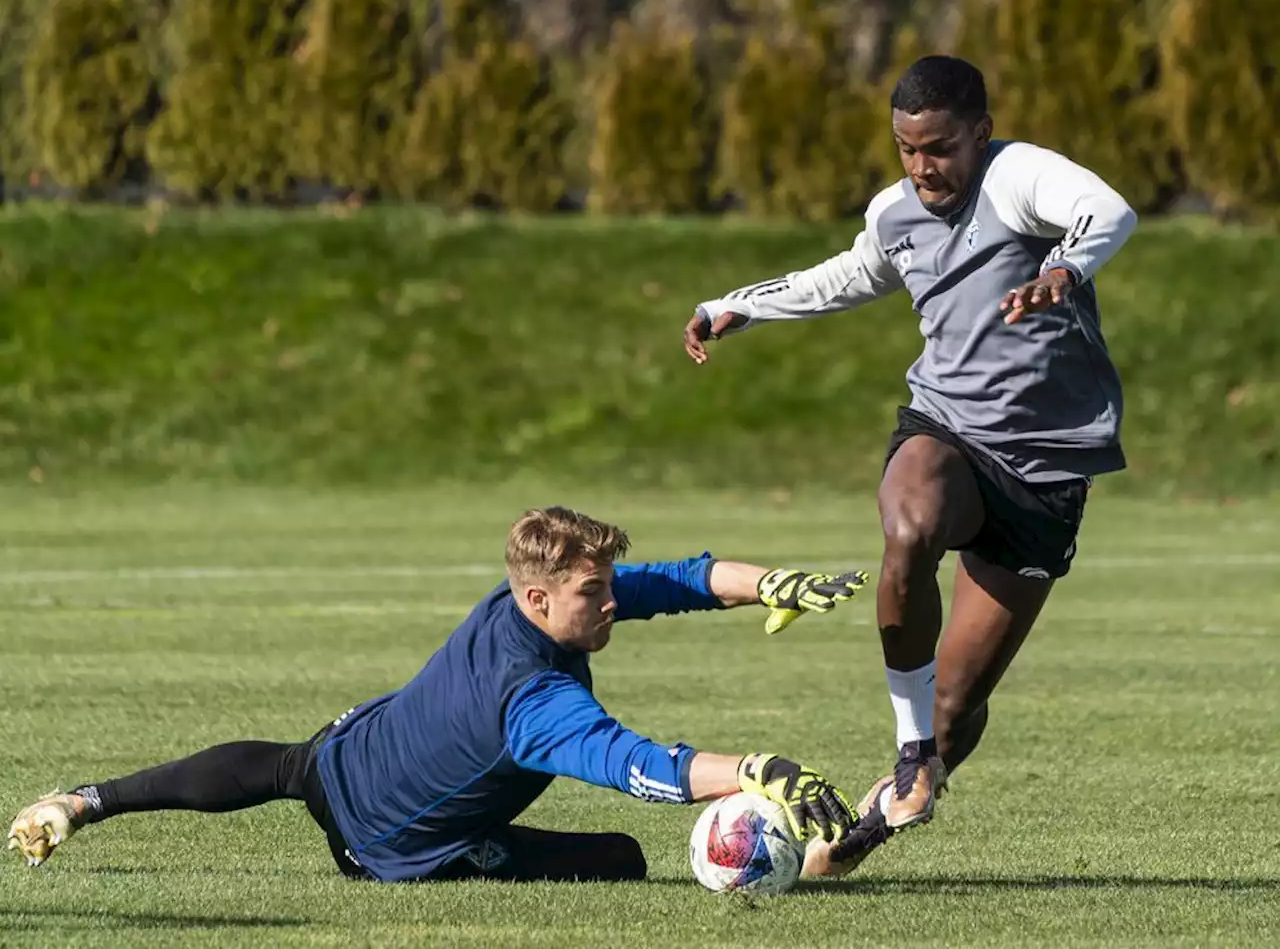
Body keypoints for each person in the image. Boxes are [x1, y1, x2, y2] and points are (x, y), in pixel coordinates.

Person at [683, 54, 1137, 875]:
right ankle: (907, 746)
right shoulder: (895, 212)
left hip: (1045, 465)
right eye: (906, 148)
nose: (924, 167)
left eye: (941, 148)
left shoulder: (1019, 178)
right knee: (910, 521)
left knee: (961, 704)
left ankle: (886, 808)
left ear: (981, 134)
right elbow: (853, 273)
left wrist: (1066, 268)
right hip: (947, 428)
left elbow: (1107, 210)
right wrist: (736, 305)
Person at [8, 506, 868, 883]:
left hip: (347, 747)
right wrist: (758, 770)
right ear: (541, 598)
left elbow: (672, 580)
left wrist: (774, 582)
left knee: (284, 765)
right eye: (592, 592)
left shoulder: (518, 600)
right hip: (388, 847)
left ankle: (82, 801)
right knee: (618, 858)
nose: (612, 600)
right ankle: (816, 859)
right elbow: (640, 766)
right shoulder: (534, 705)